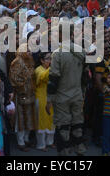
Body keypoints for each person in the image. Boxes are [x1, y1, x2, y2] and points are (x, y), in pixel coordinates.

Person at [47, 25, 87, 156]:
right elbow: (85, 76)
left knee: (63, 128)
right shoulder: (81, 51)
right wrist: (83, 92)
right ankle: (80, 151)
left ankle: (65, 154)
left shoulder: (57, 54)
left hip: (62, 96)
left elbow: (53, 79)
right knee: (77, 125)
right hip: (77, 94)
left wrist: (49, 100)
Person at [9, 44, 37, 152]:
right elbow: (14, 79)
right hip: (21, 94)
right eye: (27, 50)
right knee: (20, 120)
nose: (30, 52)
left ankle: (26, 139)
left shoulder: (30, 60)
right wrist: (24, 86)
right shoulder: (17, 62)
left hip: (31, 93)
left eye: (30, 50)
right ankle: (20, 142)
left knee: (29, 117)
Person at [34, 52, 55, 152]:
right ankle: (41, 144)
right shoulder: (38, 69)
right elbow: (43, 77)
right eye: (48, 59)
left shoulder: (50, 69)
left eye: (51, 59)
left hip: (51, 97)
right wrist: (53, 66)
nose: (50, 61)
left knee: (51, 119)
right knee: (41, 121)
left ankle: (50, 142)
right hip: (41, 97)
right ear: (42, 60)